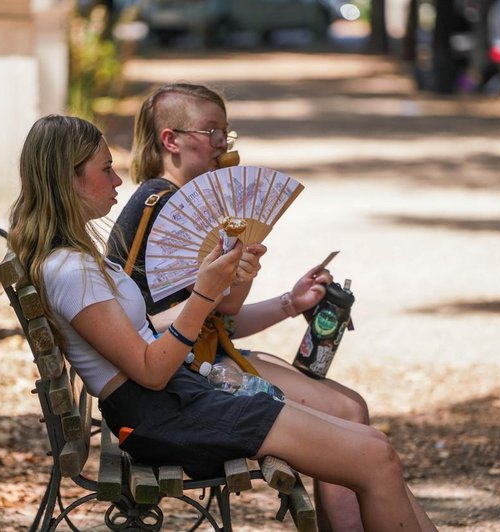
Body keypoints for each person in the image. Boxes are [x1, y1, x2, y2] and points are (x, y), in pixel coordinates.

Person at [8, 114, 436, 531]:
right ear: (69, 179)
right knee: (375, 460)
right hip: (164, 414)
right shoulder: (70, 271)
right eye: (105, 170)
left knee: (375, 447)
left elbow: (146, 335)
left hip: (179, 399)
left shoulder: (74, 260)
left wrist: (215, 284)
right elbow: (151, 370)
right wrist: (204, 293)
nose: (118, 181)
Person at [108, 83, 373, 529]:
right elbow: (178, 324)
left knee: (351, 407)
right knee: (347, 414)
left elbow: (218, 319)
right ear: (171, 140)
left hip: (199, 362)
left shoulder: (181, 207)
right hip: (185, 380)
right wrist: (235, 282)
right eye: (211, 132)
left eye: (225, 134)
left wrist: (290, 302)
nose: (222, 146)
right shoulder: (165, 208)